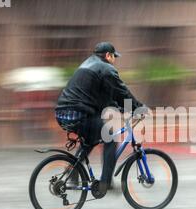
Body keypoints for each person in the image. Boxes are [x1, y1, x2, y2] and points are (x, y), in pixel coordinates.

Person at [55, 42, 146, 197]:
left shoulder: (88, 64)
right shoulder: (106, 68)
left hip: (64, 112)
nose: (115, 60)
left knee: (91, 138)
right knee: (110, 138)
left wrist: (121, 108)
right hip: (78, 113)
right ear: (108, 55)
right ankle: (106, 182)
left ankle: (73, 170)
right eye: (114, 57)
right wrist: (137, 107)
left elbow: (104, 98)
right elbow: (121, 91)